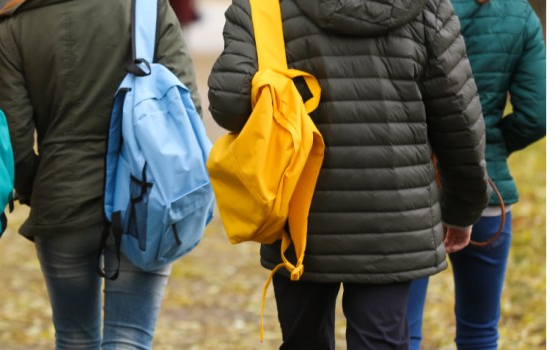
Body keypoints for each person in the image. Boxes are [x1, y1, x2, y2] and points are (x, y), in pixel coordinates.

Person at [208, 0, 490, 348]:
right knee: (380, 341)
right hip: (395, 221)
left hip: (298, 213)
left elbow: (229, 104)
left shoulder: (263, 6)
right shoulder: (427, 7)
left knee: (303, 340)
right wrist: (463, 209)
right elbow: (459, 117)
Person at [0, 0, 201, 348]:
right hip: (144, 196)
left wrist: (37, 189)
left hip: (62, 196)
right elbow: (186, 105)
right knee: (130, 337)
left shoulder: (16, 24)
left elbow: (13, 141)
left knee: (74, 338)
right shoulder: (146, 7)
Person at [407, 0, 546, 348]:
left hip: (411, 188)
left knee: (400, 330)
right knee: (480, 331)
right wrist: (490, 148)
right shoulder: (519, 15)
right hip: (486, 188)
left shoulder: (406, 7)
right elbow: (538, 114)